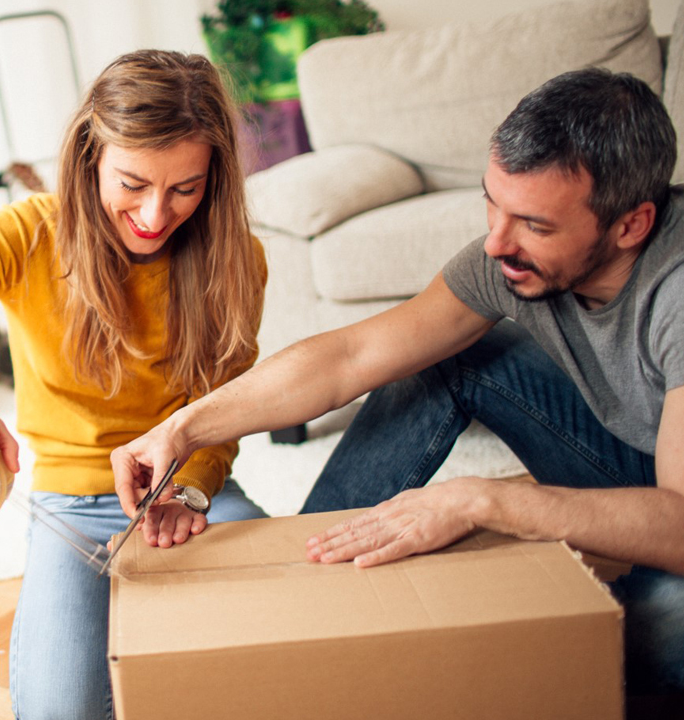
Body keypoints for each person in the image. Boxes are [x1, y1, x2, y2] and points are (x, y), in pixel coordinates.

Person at [112, 67, 684, 694]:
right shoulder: (506, 258)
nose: (496, 243)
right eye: (492, 204)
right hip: (636, 459)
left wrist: (482, 499)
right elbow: (352, 356)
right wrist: (182, 429)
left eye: (535, 226)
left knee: (646, 640)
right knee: (455, 352)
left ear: (631, 225)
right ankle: (310, 584)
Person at [0, 49, 269, 719]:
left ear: (213, 180)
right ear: (90, 156)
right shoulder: (25, 234)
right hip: (71, 508)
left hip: (186, 491)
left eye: (184, 188)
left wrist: (192, 487)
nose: (156, 215)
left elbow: (225, 412)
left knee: (289, 647)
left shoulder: (237, 259)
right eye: (132, 182)